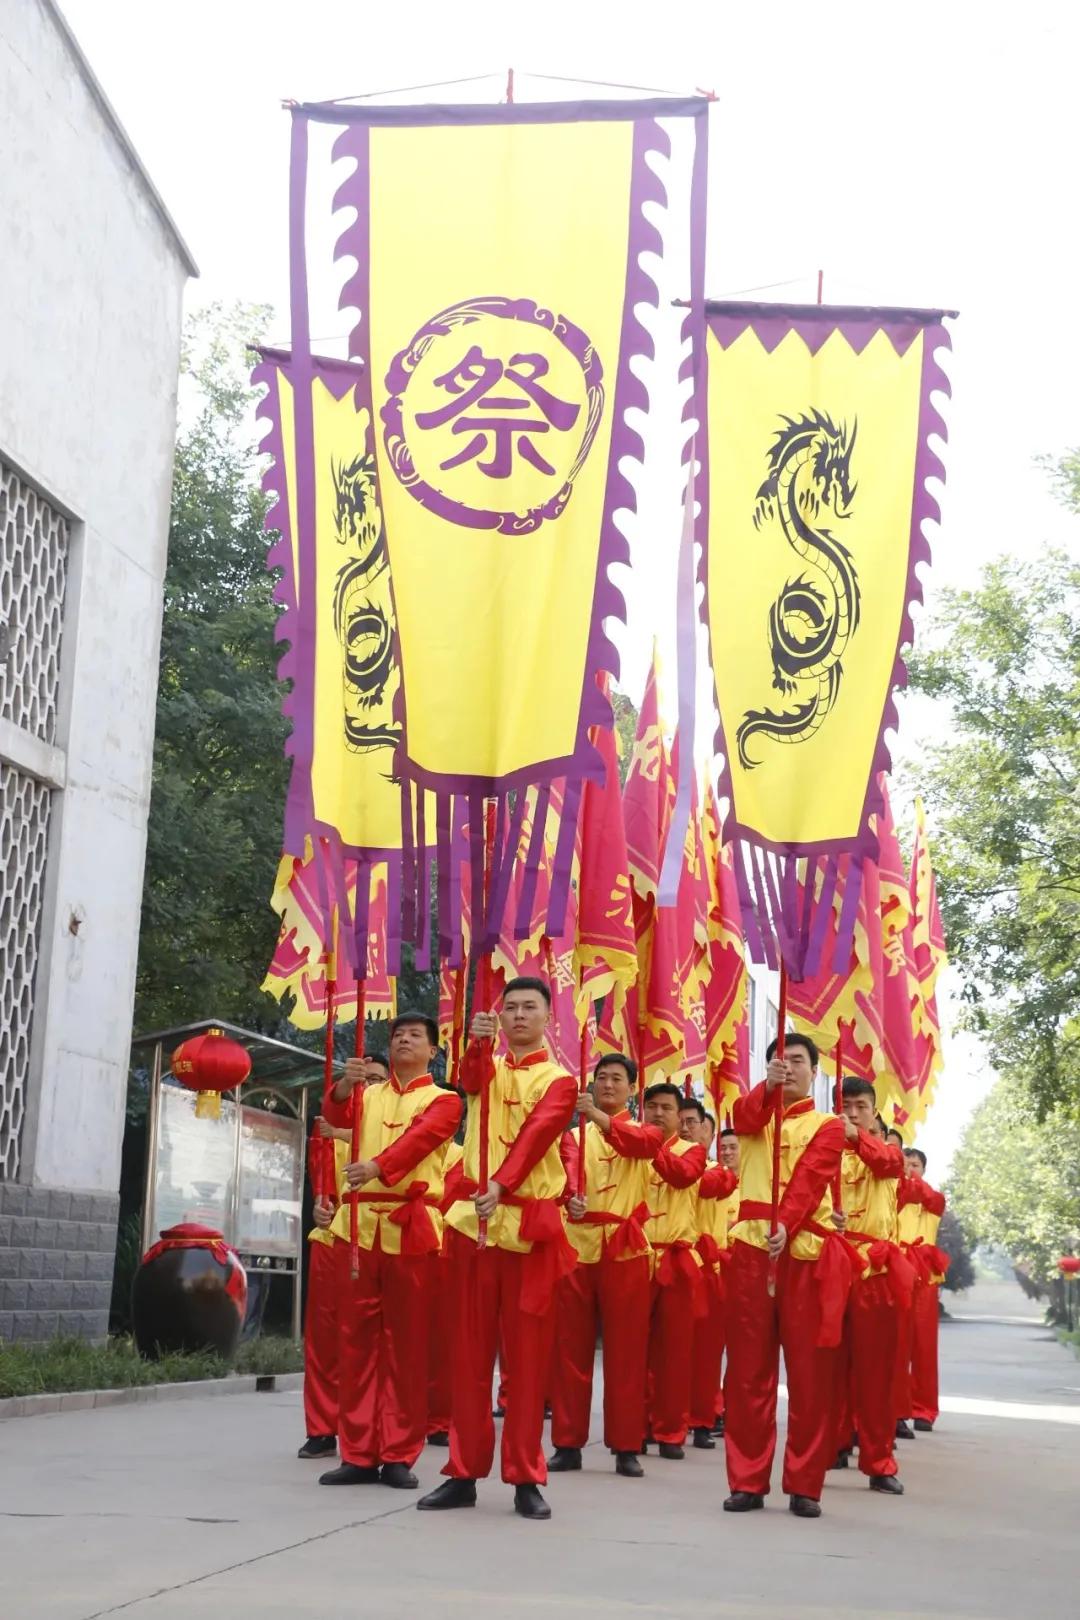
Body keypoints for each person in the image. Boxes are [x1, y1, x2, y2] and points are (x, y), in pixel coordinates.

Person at [417, 977, 577, 1521]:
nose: (519, 1015)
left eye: (530, 1007)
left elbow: (539, 1134)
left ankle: (526, 1476)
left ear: (549, 1017)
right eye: (510, 1008)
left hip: (526, 1228)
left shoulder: (560, 1080)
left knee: (527, 1362)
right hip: (475, 1227)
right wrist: (477, 1042)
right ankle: (463, 1471)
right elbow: (469, 1081)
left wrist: (502, 1184)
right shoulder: (488, 1065)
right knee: (467, 1354)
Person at [318, 1012, 461, 1490]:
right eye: (398, 1035)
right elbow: (335, 1116)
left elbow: (421, 1140)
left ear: (433, 1051)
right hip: (358, 1228)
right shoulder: (367, 1094)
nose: (403, 1041)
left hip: (411, 1228)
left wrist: (377, 1166)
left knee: (407, 1346)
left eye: (415, 1036)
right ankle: (358, 1453)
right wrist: (344, 1084)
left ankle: (398, 1452)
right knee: (355, 1343)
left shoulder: (444, 1100)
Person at [723, 1032, 849, 1519]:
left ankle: (805, 1484)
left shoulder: (828, 1125)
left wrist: (787, 1222)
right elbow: (744, 1118)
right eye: (779, 1060)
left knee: (809, 1374)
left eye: (797, 1061)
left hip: (805, 1254)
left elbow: (811, 1177)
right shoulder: (754, 1112)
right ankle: (747, 1480)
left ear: (814, 1072)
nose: (789, 1067)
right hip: (752, 1252)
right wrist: (766, 1088)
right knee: (747, 1373)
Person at [548, 1053, 660, 1479]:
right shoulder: (573, 1135)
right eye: (601, 1078)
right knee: (569, 1349)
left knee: (626, 1352)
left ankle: (626, 1444)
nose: (608, 1085)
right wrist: (570, 1198)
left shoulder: (645, 1131)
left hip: (625, 1248)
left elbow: (639, 1146)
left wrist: (596, 1116)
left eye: (616, 1079)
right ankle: (567, 1442)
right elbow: (567, 1171)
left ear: (632, 1088)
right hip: (577, 1246)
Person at [831, 1078, 913, 1496]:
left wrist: (855, 1136)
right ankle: (833, 1444)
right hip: (831, 1267)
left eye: (861, 1106)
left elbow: (886, 1163)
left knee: (876, 1374)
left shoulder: (888, 1152)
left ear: (874, 1112)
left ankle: (879, 1461)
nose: (853, 1112)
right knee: (829, 1368)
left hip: (875, 1274)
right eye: (845, 1105)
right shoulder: (824, 1153)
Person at [642, 1082, 708, 1460]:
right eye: (651, 1106)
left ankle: (670, 1430)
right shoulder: (628, 1146)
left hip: (676, 1259)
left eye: (666, 1108)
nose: (658, 1113)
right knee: (633, 1350)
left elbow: (682, 1176)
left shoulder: (693, 1152)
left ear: (680, 1115)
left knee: (675, 1351)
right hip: (635, 1254)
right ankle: (634, 1427)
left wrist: (648, 1147)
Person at [681, 1103, 738, 1450]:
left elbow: (708, 1185)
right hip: (667, 1262)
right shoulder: (659, 1162)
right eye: (682, 1121)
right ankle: (663, 1417)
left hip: (707, 1269)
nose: (686, 1128)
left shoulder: (719, 1173)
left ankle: (703, 1418)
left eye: (693, 1123)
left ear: (708, 1131)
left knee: (705, 1351)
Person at [297, 1124, 349, 1459]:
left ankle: (375, 1436)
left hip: (378, 1238)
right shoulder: (326, 1131)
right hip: (331, 1242)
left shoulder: (395, 1114)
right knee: (323, 1338)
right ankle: (322, 1429)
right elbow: (322, 1180)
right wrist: (319, 1205)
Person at [899, 1148, 949, 1433]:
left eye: (915, 1165)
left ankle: (924, 1409)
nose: (910, 1169)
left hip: (924, 1276)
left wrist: (912, 1180)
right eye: (905, 1164)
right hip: (895, 1271)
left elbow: (934, 1200)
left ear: (924, 1170)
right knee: (895, 1345)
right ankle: (897, 1409)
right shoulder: (892, 1194)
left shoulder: (932, 1199)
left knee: (923, 1345)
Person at [427, 1136, 465, 1447]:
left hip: (443, 1251)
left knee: (442, 1340)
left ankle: (439, 1419)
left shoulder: (462, 1156)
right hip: (404, 1242)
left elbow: (450, 1202)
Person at [711, 1128, 741, 1436]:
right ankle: (712, 1408)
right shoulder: (714, 1179)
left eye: (733, 1147)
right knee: (712, 1345)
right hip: (717, 1269)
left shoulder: (757, 1183)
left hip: (745, 1271)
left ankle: (734, 1407)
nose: (728, 1152)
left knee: (741, 1348)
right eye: (724, 1147)